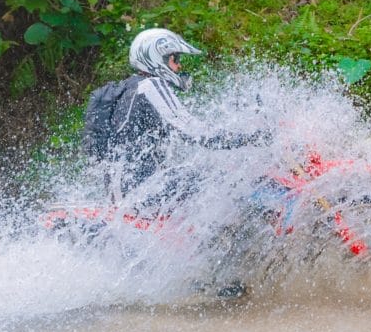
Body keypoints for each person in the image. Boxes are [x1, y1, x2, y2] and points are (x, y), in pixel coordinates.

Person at [83, 27, 269, 202]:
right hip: (139, 193)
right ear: (158, 59)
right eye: (175, 59)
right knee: (220, 176)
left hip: (123, 193)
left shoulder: (130, 88)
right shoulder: (151, 86)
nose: (179, 67)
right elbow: (197, 133)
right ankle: (269, 206)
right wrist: (254, 137)